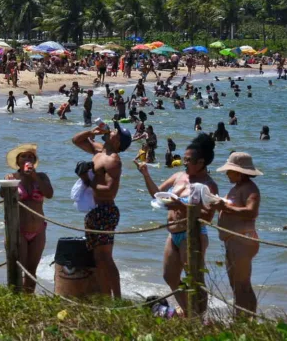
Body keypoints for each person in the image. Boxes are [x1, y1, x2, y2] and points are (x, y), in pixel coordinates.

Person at [136, 134, 218, 315]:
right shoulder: (179, 176)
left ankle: (197, 316)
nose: (184, 163)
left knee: (195, 279)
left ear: (201, 162)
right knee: (170, 276)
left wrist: (182, 205)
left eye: (188, 160)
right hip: (172, 233)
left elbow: (208, 216)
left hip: (192, 234)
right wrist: (146, 174)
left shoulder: (208, 185)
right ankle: (190, 311)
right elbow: (157, 194)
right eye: (185, 159)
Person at [71, 120, 133, 299]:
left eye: (116, 131)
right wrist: (93, 131)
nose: (112, 130)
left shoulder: (113, 160)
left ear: (118, 142)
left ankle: (118, 298)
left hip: (106, 210)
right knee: (98, 259)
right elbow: (76, 140)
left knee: (105, 257)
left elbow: (110, 192)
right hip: (94, 210)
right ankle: (106, 298)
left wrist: (86, 179)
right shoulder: (99, 150)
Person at [213, 152, 263, 315]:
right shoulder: (237, 188)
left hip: (243, 240)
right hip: (232, 240)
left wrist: (226, 208)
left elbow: (251, 212)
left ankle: (245, 319)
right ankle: (243, 317)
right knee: (236, 283)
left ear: (239, 172)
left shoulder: (250, 189)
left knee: (242, 284)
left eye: (229, 170)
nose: (227, 173)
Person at [2, 144, 53, 293]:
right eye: (24, 156)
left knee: (32, 270)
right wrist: (8, 182)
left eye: (31, 156)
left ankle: (28, 300)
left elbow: (49, 194)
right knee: (19, 268)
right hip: (18, 230)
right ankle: (15, 298)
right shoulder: (13, 177)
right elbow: (2, 194)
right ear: (18, 161)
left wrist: (34, 176)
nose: (27, 159)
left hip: (38, 230)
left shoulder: (42, 177)